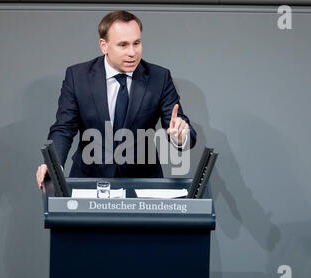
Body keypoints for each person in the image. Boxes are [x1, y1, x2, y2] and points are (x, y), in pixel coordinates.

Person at [36, 10, 196, 189]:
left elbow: (178, 125)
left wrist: (181, 137)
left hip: (142, 184)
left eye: (137, 43)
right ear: (104, 46)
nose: (132, 52)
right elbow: (63, 128)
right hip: (90, 180)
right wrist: (54, 166)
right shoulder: (77, 77)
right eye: (123, 45)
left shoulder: (159, 78)